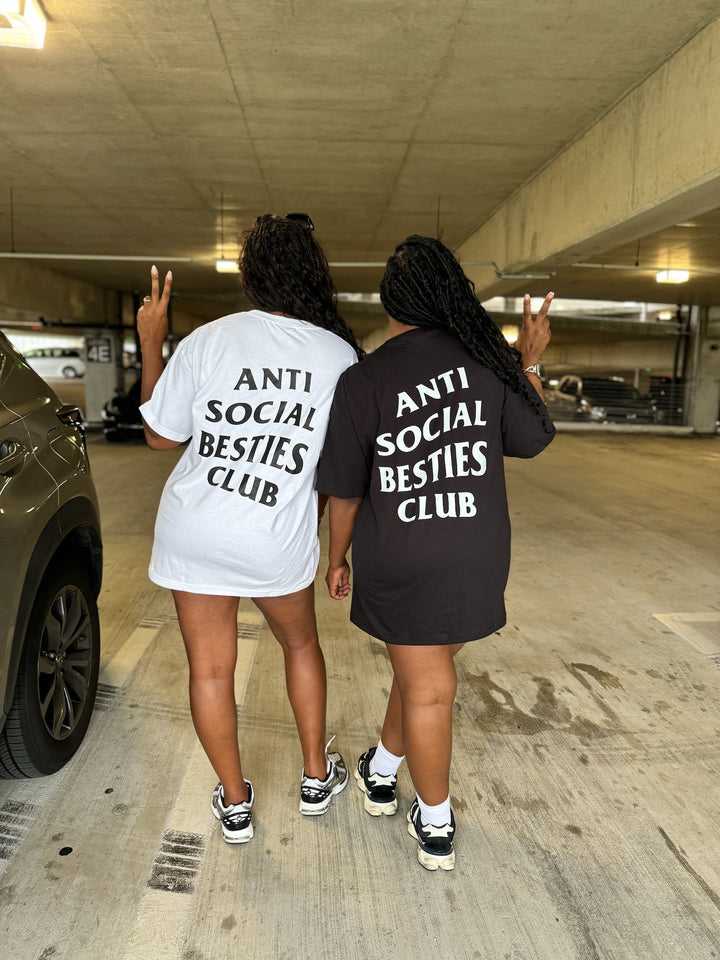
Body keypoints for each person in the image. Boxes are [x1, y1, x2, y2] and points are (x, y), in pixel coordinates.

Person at [317, 235, 555, 871]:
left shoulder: (364, 378)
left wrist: (336, 559)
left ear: (392, 306)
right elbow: (531, 439)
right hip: (473, 554)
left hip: (400, 556)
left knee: (425, 683)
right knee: (422, 670)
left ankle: (436, 822)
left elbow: (342, 490)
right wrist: (528, 360)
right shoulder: (488, 363)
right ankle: (382, 769)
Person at [136, 213, 364, 845]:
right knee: (300, 646)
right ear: (313, 274)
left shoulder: (210, 339)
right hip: (273, 536)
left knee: (210, 671)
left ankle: (235, 804)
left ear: (250, 278)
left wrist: (152, 340)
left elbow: (160, 436)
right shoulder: (339, 354)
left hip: (195, 530)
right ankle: (317, 778)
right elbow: (341, 467)